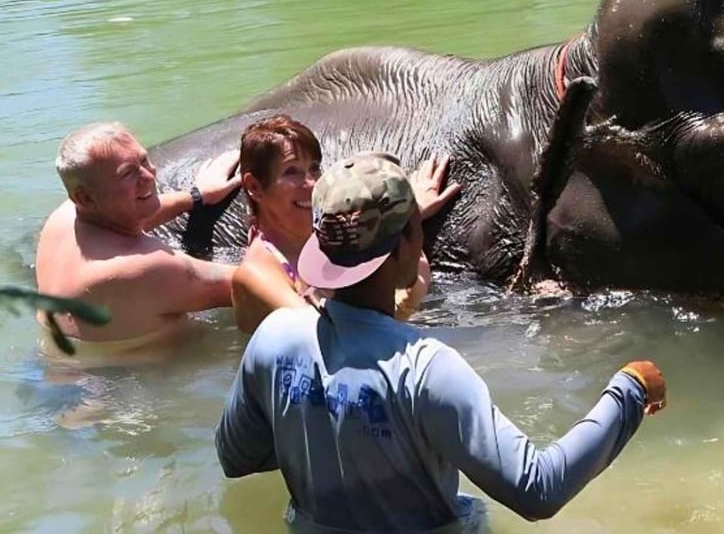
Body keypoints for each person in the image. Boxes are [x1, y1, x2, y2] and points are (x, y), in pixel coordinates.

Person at [215, 153, 667, 532]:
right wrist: (628, 389)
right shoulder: (427, 368)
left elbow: (236, 458)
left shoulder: (274, 338)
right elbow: (538, 490)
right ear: (411, 239)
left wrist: (324, 428)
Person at [231, 114, 459, 334]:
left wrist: (407, 208)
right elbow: (329, 341)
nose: (312, 184)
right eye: (292, 172)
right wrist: (407, 302)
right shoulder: (256, 274)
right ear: (254, 187)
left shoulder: (324, 236)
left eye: (314, 168)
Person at [34, 121, 242, 354]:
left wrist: (197, 196)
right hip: (122, 381)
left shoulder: (61, 219)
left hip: (56, 359)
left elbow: (129, 214)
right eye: (127, 173)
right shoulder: (142, 269)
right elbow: (254, 284)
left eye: (143, 161)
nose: (149, 176)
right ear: (84, 198)